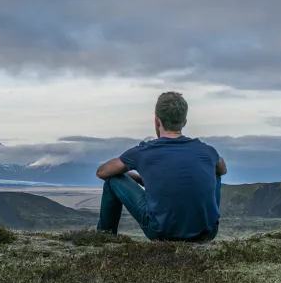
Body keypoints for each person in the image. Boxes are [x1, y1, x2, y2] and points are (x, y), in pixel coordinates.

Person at [95, 92, 227, 242]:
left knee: (112, 181)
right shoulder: (207, 151)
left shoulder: (143, 152)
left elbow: (102, 172)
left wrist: (127, 175)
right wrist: (142, 179)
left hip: (161, 233)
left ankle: (104, 238)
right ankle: (204, 224)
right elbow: (223, 169)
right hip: (207, 232)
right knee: (215, 172)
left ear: (157, 121)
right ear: (184, 122)